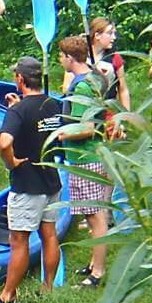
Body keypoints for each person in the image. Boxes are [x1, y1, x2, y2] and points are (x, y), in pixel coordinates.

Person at [0, 57, 64, 303]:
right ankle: (47, 288)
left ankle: (8, 296)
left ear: (20, 80)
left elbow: (4, 142)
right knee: (49, 235)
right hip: (51, 179)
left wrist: (10, 161)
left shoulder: (18, 111)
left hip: (27, 185)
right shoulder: (53, 103)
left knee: (19, 240)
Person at [58, 36, 112, 287]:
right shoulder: (94, 76)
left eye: (61, 56)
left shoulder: (81, 87)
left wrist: (60, 134)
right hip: (93, 155)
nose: (60, 61)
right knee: (95, 214)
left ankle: (98, 272)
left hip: (85, 157)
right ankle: (93, 263)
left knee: (95, 217)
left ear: (70, 58)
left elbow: (87, 128)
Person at [74, 17, 131, 110]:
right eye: (109, 33)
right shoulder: (79, 55)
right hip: (82, 111)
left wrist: (125, 116)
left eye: (114, 33)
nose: (114, 37)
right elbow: (67, 87)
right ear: (97, 35)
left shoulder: (115, 58)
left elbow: (123, 89)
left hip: (107, 112)